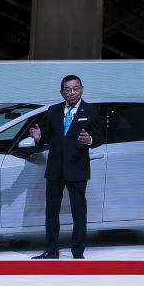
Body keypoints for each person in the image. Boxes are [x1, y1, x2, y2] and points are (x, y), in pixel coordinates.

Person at [29, 75, 102, 259]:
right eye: (68, 89)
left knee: (79, 212)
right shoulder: (53, 111)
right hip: (55, 169)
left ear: (82, 89)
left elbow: (100, 137)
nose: (72, 92)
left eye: (75, 88)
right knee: (51, 212)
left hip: (77, 168)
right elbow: (46, 137)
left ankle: (78, 252)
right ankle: (51, 250)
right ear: (61, 92)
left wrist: (90, 140)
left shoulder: (91, 111)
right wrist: (39, 138)